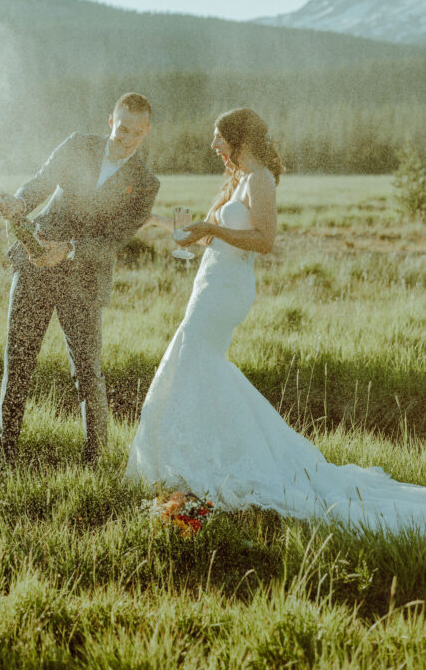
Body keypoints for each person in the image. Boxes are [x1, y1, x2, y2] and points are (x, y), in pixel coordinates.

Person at [126, 108, 426, 533]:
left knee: (193, 360)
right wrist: (170, 225)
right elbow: (212, 236)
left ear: (238, 137)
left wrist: (216, 229)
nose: (214, 146)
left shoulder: (260, 179)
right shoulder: (239, 179)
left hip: (226, 291)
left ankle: (209, 462)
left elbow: (264, 240)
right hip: (210, 283)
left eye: (218, 138)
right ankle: (203, 456)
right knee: (196, 365)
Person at [0, 93, 160, 469]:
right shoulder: (78, 144)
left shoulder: (146, 184)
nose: (127, 138)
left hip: (84, 282)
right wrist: (19, 203)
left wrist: (68, 250)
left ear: (146, 132)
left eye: (136, 132)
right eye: (122, 128)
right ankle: (3, 461)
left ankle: (95, 463)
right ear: (110, 121)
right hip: (36, 263)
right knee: (17, 364)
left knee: (88, 373)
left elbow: (114, 240)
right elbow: (41, 182)